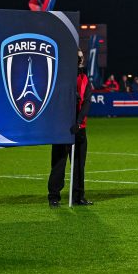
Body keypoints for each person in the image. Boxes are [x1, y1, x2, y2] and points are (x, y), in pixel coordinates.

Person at [48, 50, 94, 207]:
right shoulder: (60, 78)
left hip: (79, 128)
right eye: (78, 57)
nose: (81, 60)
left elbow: (87, 101)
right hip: (62, 128)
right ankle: (54, 196)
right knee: (59, 163)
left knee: (79, 164)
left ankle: (78, 196)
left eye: (81, 57)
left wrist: (79, 122)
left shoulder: (84, 78)